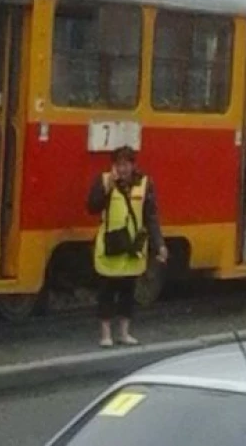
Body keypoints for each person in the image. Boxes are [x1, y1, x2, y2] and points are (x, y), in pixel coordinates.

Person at [88, 145, 167, 348]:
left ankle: (124, 332)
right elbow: (92, 206)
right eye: (118, 165)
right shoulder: (105, 181)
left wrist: (159, 245)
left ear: (133, 165)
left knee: (128, 291)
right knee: (106, 290)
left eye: (125, 165)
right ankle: (105, 334)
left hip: (133, 246)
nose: (122, 169)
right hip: (110, 245)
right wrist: (108, 188)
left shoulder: (145, 184)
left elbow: (151, 217)